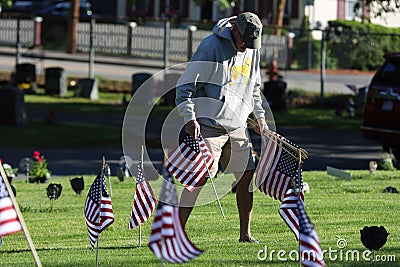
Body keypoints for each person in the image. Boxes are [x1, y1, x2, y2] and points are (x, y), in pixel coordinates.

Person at [175, 12, 268, 243]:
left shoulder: (251, 49)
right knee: (199, 178)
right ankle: (175, 234)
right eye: (245, 42)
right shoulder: (210, 47)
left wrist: (260, 117)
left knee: (247, 176)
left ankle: (245, 235)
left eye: (252, 43)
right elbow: (185, 87)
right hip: (208, 124)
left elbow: (254, 87)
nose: (247, 48)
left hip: (237, 126)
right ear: (234, 30)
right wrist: (190, 119)